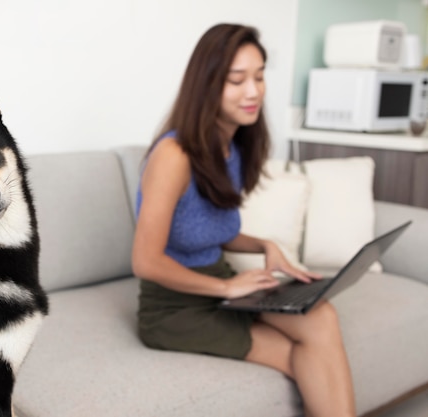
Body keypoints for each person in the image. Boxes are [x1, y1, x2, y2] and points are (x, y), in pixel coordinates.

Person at [132, 23, 356, 417]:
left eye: (259, 76)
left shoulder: (231, 146)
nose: (253, 91)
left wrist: (267, 246)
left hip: (219, 285)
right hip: (172, 308)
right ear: (206, 84)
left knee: (321, 316)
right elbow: (145, 261)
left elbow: (212, 229)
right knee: (300, 354)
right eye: (237, 80)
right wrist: (230, 287)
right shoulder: (174, 156)